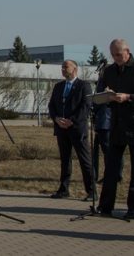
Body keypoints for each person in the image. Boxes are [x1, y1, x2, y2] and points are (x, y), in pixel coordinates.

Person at [96, 38, 134, 220]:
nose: (116, 58)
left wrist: (129, 97)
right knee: (111, 168)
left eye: (119, 54)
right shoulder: (109, 71)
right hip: (117, 124)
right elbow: (104, 92)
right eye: (113, 55)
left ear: (127, 51)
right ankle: (106, 205)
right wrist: (107, 97)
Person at [47, 60, 94, 199]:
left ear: (74, 69)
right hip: (61, 129)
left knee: (84, 159)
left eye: (65, 67)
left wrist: (71, 120)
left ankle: (91, 191)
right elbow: (52, 105)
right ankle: (63, 189)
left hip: (77, 129)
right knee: (65, 159)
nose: (63, 69)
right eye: (61, 67)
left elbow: (85, 106)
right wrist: (56, 119)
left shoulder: (83, 86)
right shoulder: (58, 86)